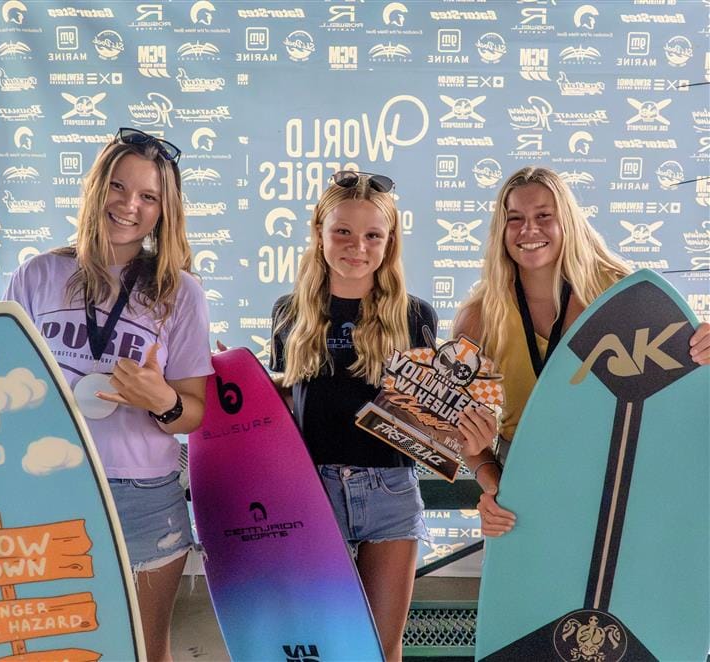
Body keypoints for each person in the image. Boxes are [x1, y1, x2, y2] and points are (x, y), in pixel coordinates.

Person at [0, 128, 212, 662]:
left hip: (142, 497)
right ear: (96, 189)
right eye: (118, 187)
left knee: (146, 652)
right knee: (61, 649)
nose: (129, 205)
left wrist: (159, 398)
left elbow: (192, 413)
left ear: (165, 211)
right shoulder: (39, 274)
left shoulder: (178, 291)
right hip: (46, 489)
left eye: (148, 197)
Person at [452, 166, 710, 537]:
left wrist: (702, 347)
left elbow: (681, 386)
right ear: (500, 229)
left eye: (544, 216)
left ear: (567, 222)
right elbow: (460, 424)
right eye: (515, 219)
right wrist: (494, 486)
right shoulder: (479, 315)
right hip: (528, 467)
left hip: (618, 468)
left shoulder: (621, 292)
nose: (529, 230)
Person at [269, 170, 437, 662]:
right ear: (319, 232)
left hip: (391, 490)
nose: (356, 246)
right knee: (327, 647)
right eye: (342, 231)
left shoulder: (415, 315)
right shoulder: (288, 312)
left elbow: (426, 415)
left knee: (382, 650)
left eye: (372, 235)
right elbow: (288, 402)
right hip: (313, 490)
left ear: (389, 243)